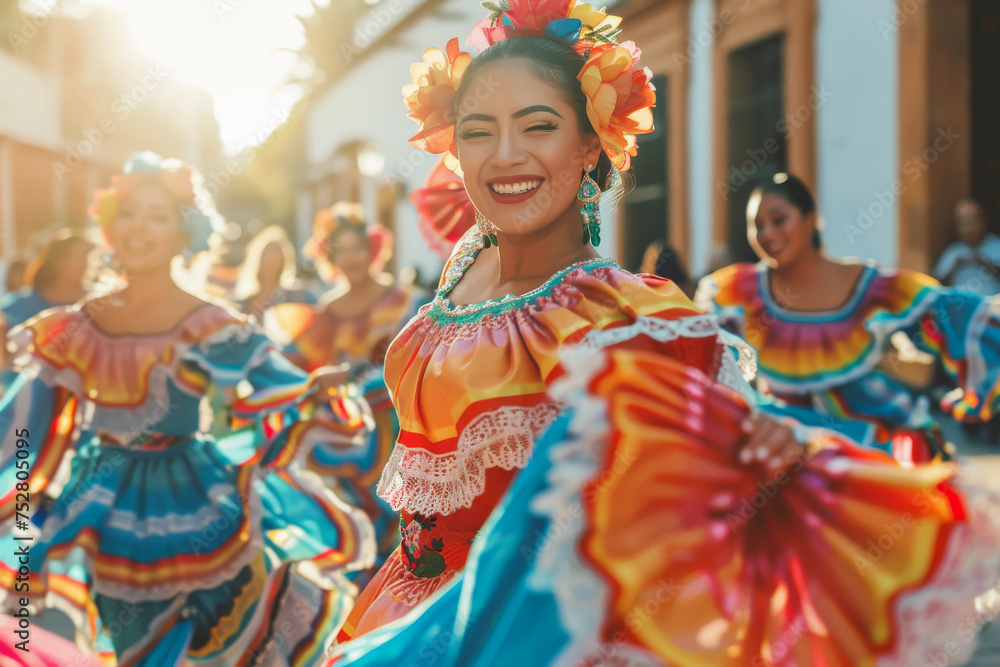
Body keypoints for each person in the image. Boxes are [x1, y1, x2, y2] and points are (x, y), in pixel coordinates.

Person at [325, 3, 1000, 664]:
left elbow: (684, 503)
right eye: (477, 131)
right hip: (399, 614)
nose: (505, 156)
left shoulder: (627, 313)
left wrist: (756, 443)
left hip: (540, 633)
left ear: (591, 142)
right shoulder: (460, 274)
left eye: (538, 126)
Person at [0, 152, 374, 666]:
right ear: (109, 226)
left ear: (184, 232)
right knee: (132, 644)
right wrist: (23, 496)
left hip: (195, 493)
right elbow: (24, 426)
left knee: (213, 640)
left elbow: (274, 384)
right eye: (129, 214)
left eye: (158, 216)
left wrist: (315, 389)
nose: (139, 228)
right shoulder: (74, 326)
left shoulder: (209, 321)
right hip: (103, 501)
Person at [696, 174, 1000, 463]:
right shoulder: (736, 291)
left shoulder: (866, 284)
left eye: (779, 219)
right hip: (787, 455)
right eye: (757, 225)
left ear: (811, 218)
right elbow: (698, 355)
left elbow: (952, 310)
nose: (768, 233)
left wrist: (978, 379)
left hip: (875, 449)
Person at [265, 202, 415, 572]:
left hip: (402, 427)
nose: (351, 258)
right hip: (351, 436)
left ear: (373, 249)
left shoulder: (404, 301)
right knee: (363, 523)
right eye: (341, 250)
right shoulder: (326, 312)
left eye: (357, 248)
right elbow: (294, 367)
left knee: (407, 519)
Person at [0, 229, 96, 392]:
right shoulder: (18, 306)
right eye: (78, 256)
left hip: (82, 399)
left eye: (86, 256)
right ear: (59, 261)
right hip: (27, 402)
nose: (85, 263)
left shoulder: (97, 302)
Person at [235, 225, 316, 319]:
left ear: (283, 260)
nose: (271, 260)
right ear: (258, 259)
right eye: (268, 254)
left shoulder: (296, 297)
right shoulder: (243, 302)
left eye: (276, 254)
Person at [934, 196, 1000, 297]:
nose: (968, 226)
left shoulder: (997, 246)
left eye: (973, 219)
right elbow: (936, 284)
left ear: (984, 219)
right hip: (959, 308)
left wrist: (983, 263)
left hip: (992, 308)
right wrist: (955, 267)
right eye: (962, 221)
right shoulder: (952, 251)